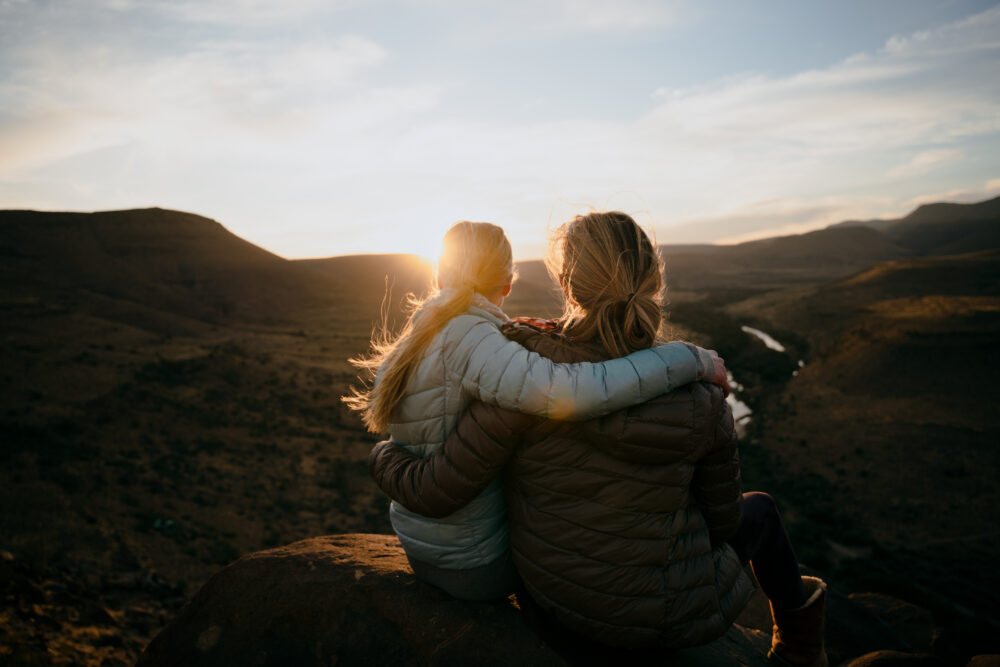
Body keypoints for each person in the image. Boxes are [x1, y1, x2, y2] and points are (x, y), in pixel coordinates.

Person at [369, 212, 827, 666]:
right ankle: (802, 649)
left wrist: (386, 454)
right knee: (760, 510)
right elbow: (724, 523)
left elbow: (448, 478)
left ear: (567, 284)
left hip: (555, 612)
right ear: (652, 282)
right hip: (667, 617)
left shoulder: (519, 376)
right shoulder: (703, 401)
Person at [344, 220, 729, 602]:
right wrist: (685, 359)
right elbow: (571, 391)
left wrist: (383, 456)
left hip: (424, 549)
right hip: (475, 565)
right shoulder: (470, 337)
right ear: (508, 284)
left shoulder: (423, 331)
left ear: (439, 276)